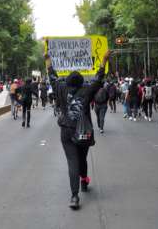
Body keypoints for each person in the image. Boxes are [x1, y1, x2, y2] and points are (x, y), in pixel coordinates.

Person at [46, 50, 110, 210]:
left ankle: (74, 196)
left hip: (66, 132)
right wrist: (104, 60)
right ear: (81, 81)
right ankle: (84, 181)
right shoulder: (87, 90)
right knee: (82, 158)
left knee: (72, 162)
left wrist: (48, 60)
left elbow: (52, 76)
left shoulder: (60, 88)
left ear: (67, 81)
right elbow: (98, 78)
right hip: (83, 131)